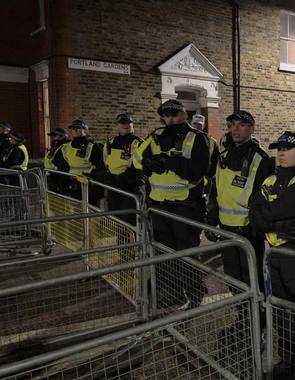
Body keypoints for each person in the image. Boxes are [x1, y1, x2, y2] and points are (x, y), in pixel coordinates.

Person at [249, 131, 295, 380]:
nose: (280, 152)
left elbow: (272, 209)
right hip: (276, 254)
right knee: (281, 314)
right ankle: (287, 363)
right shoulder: (271, 180)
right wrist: (268, 218)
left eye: (287, 149)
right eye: (278, 148)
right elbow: (255, 215)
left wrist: (263, 213)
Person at [133, 99, 212, 306]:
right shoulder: (155, 136)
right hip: (159, 207)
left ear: (185, 115)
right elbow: (136, 159)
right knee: (163, 253)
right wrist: (148, 163)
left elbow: (199, 170)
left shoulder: (197, 138)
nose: (170, 118)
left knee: (187, 253)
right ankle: (172, 292)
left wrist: (170, 162)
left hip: (185, 207)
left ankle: (195, 292)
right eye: (167, 115)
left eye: (174, 114)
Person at [206, 110, 276, 331]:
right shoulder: (224, 157)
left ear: (252, 129)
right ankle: (244, 318)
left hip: (249, 231)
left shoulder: (261, 159)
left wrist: (256, 225)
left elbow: (264, 198)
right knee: (233, 277)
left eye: (241, 125)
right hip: (227, 229)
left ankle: (260, 321)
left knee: (252, 278)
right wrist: (211, 219)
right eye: (232, 125)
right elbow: (216, 190)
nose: (235, 129)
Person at [102, 113, 145, 226]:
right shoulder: (110, 143)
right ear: (117, 125)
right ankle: (121, 243)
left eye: (128, 123)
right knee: (116, 222)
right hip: (114, 189)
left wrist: (123, 179)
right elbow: (105, 164)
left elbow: (140, 168)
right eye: (122, 123)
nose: (125, 125)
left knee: (131, 222)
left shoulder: (139, 143)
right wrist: (109, 179)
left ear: (132, 125)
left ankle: (134, 244)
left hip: (132, 188)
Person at [52, 119, 105, 205]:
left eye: (78, 128)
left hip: (90, 186)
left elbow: (101, 167)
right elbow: (62, 168)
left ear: (85, 130)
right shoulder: (65, 148)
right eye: (73, 128)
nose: (75, 130)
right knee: (75, 212)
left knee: (91, 212)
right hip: (72, 185)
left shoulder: (93, 147)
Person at [44, 128, 70, 192]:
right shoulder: (54, 147)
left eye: (55, 136)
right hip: (51, 177)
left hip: (59, 179)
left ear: (63, 137)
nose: (53, 138)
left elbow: (62, 165)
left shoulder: (64, 147)